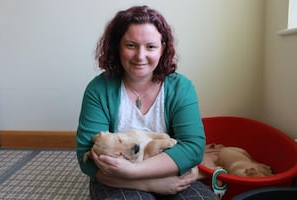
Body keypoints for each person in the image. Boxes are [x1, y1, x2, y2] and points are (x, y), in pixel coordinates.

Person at [77, 5, 219, 200]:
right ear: (117, 46)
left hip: (169, 174)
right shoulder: (98, 89)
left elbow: (193, 147)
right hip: (115, 179)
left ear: (163, 48)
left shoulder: (181, 87)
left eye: (150, 47)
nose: (140, 56)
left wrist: (137, 171)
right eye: (131, 45)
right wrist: (148, 184)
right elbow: (87, 159)